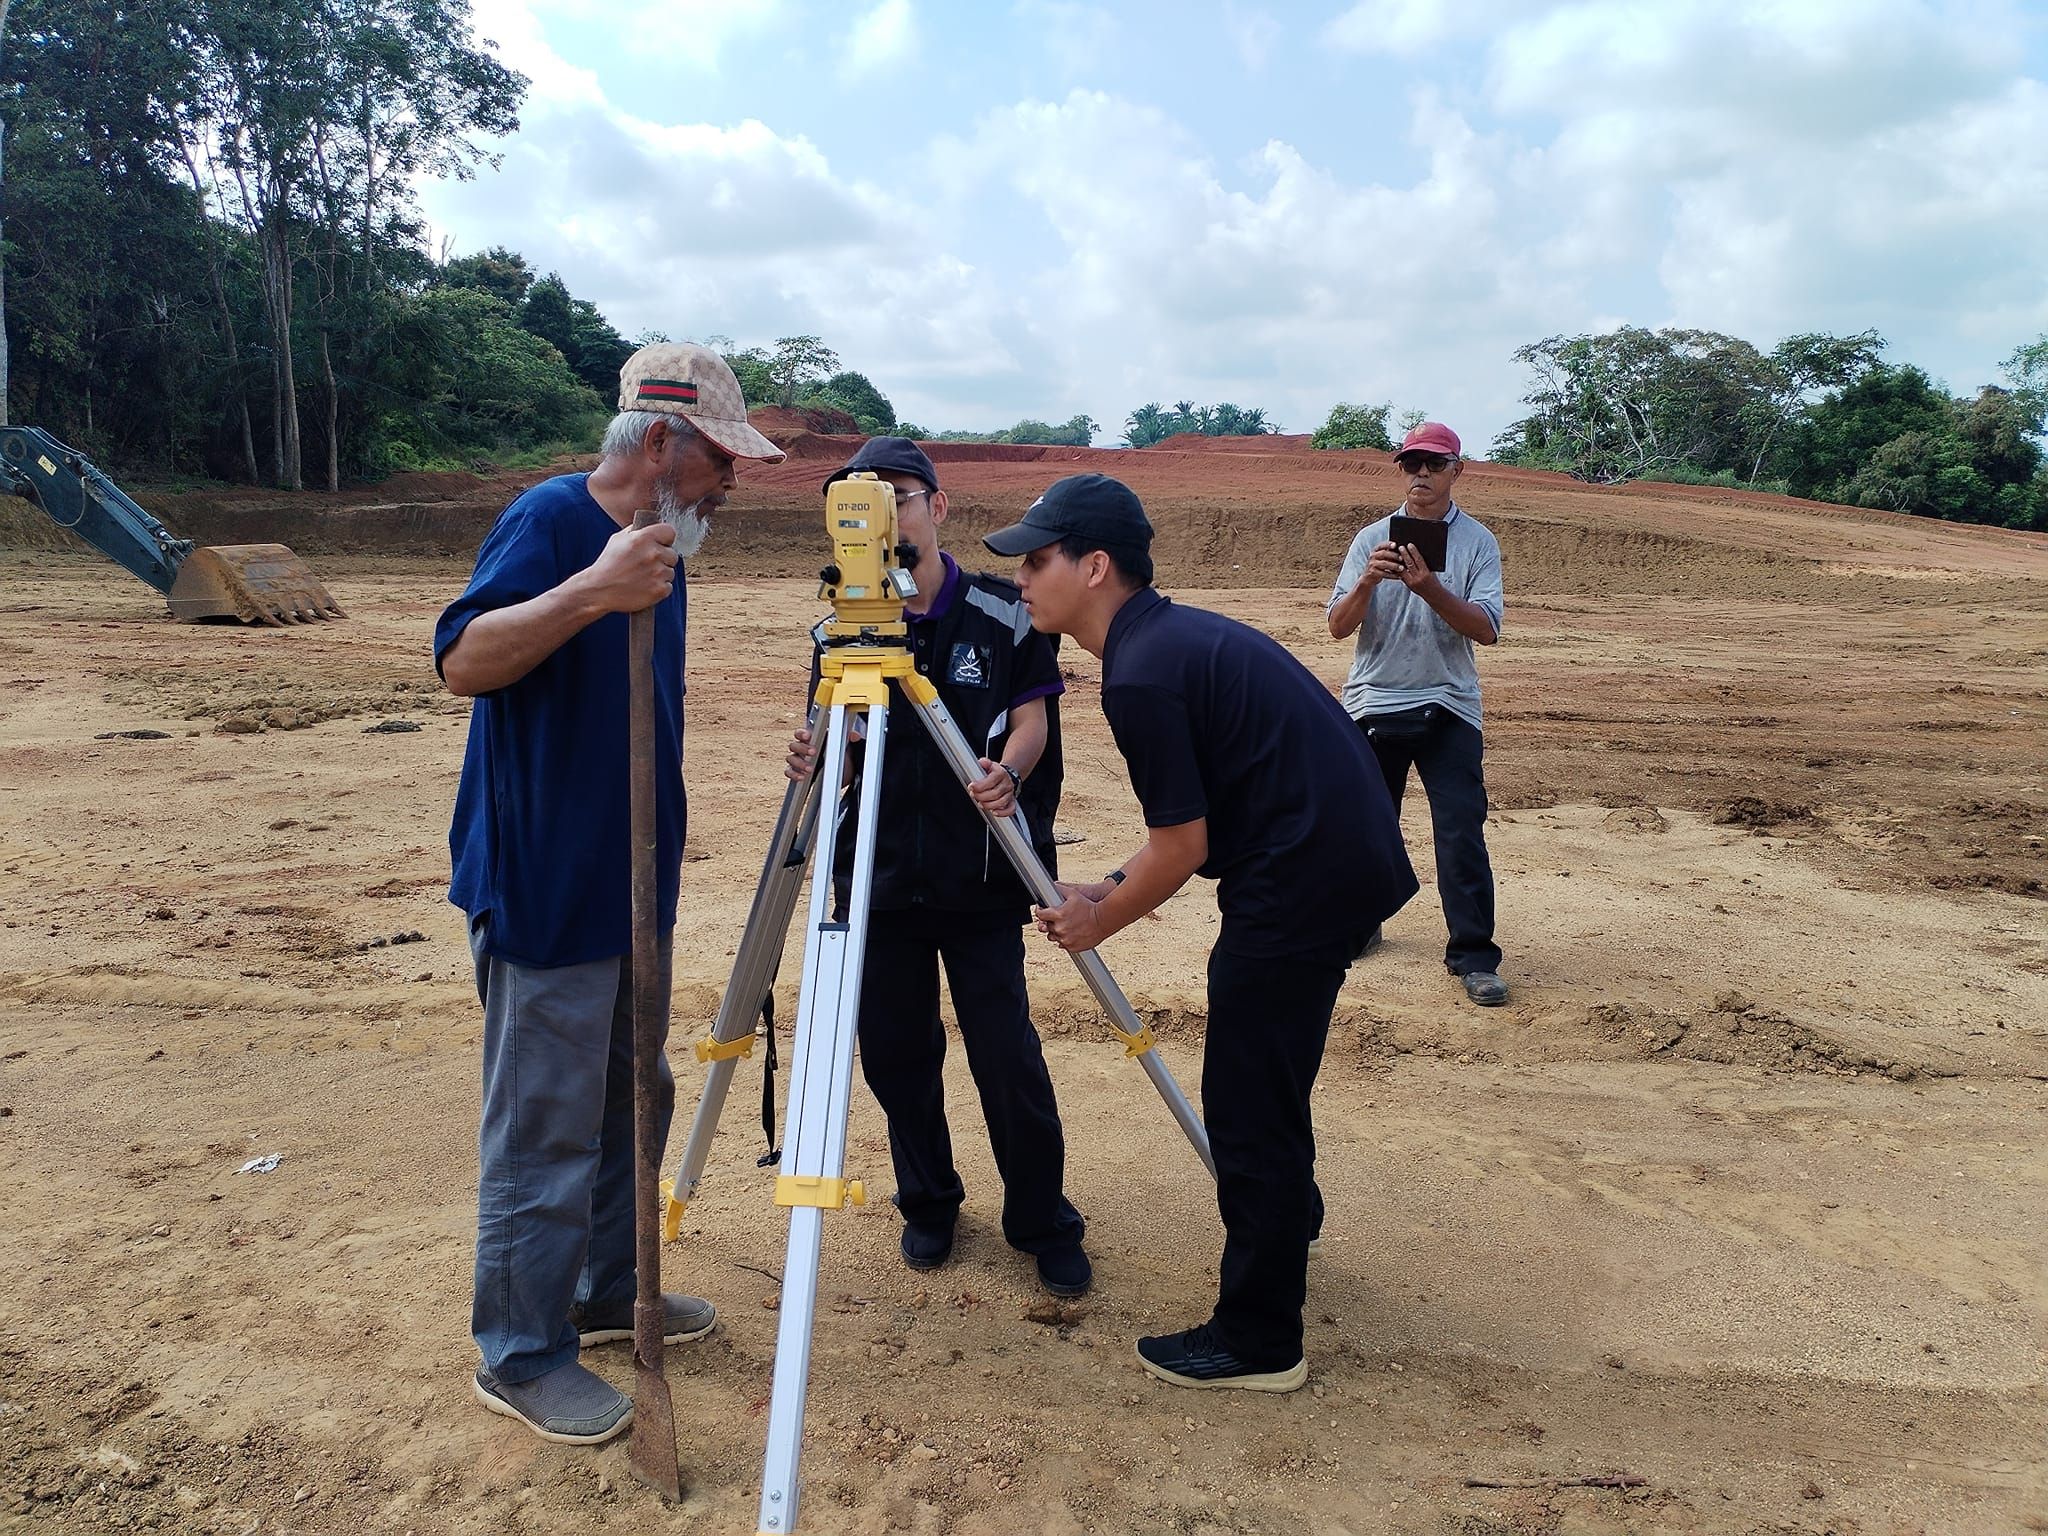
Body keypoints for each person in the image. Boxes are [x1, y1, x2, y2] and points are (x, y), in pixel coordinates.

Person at [987, 474, 1417, 1391]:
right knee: (1268, 1075)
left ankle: (1261, 1340)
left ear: (1095, 566)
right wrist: (1101, 886)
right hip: (1327, 863)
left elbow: (1180, 847)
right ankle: (1286, 1219)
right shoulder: (1172, 641)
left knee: (1249, 1101)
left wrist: (1096, 916)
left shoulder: (1141, 674)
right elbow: (1199, 830)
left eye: (1037, 560)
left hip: (1303, 878)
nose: (1021, 580)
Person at [435, 342, 786, 1445]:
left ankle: (600, 1290)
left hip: (630, 884)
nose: (731, 485)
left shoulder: (666, 550)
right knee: (545, 1126)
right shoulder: (549, 523)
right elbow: (461, 660)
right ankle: (521, 1353)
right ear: (659, 444)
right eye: (721, 462)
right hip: (546, 884)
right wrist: (588, 591)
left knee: (637, 1095)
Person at [785, 437, 1091, 1297]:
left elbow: (1031, 720)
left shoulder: (1004, 611)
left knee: (1006, 1055)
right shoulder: (838, 627)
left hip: (981, 873)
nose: (883, 510)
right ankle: (928, 1202)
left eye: (898, 495)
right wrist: (817, 752)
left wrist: (1011, 774)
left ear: (937, 506)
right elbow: (845, 746)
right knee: (894, 1052)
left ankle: (1041, 1217)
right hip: (876, 875)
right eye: (861, 496)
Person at [1326, 422, 1509, 1007]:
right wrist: (1367, 582)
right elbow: (1337, 626)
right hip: (1373, 699)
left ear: (1459, 469)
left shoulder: (1477, 542)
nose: (1421, 474)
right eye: (1412, 464)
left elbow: (1487, 629)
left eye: (1434, 464)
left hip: (1449, 702)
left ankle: (1474, 954)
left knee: (1459, 830)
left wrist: (1428, 586)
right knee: (1364, 828)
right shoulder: (1370, 539)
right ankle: (1360, 924)